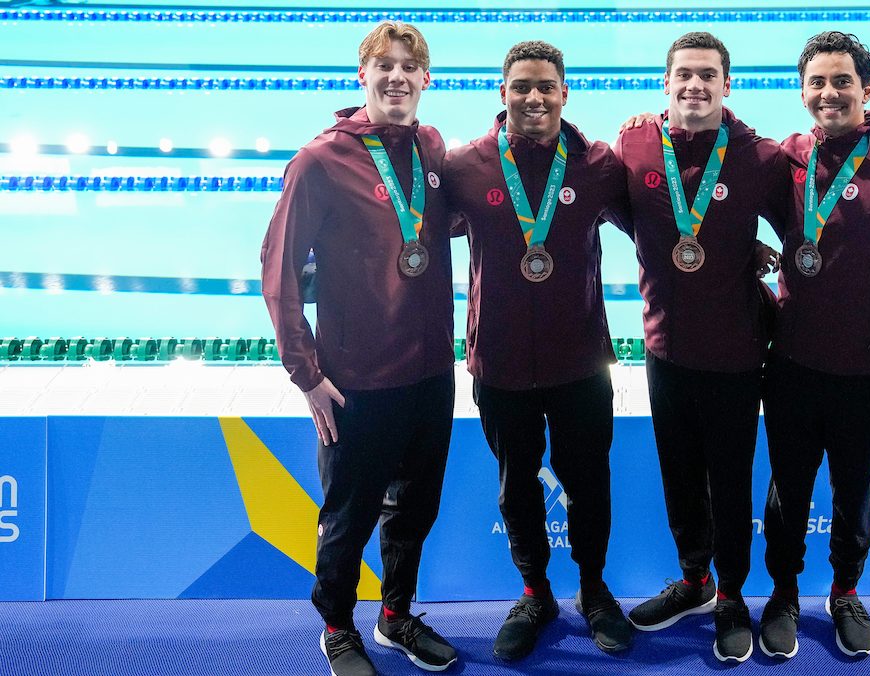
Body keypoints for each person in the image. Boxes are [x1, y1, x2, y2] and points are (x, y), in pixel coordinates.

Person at [261, 21, 457, 676]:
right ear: (362, 75)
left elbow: (443, 223)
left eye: (410, 67)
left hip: (430, 375)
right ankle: (339, 626)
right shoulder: (320, 161)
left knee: (416, 508)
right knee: (348, 516)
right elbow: (280, 272)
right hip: (357, 380)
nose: (397, 77)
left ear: (426, 79)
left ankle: (397, 615)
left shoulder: (430, 146)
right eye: (385, 66)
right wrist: (307, 374)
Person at [443, 40, 635, 662]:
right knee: (515, 485)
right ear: (502, 94)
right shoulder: (466, 166)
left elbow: (660, 227)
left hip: (581, 362)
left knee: (589, 481)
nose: (533, 97)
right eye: (521, 86)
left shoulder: (598, 165)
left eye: (545, 86)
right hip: (498, 362)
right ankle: (534, 593)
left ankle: (594, 588)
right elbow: (406, 225)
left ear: (564, 93)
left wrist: (747, 261)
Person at [757, 30, 870, 660]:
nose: (828, 94)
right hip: (791, 365)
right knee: (786, 490)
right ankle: (783, 594)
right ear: (803, 91)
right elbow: (719, 185)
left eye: (842, 82)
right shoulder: (789, 158)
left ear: (867, 89)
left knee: (854, 493)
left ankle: (843, 592)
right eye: (817, 82)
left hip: (868, 376)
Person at [615, 31, 795, 664]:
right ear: (666, 84)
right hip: (665, 350)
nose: (694, 85)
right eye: (683, 74)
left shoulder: (758, 158)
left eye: (707, 75)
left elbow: (809, 234)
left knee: (730, 481)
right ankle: (694, 581)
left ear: (727, 84)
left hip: (736, 354)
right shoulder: (634, 143)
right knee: (680, 476)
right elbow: (612, 211)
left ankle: (731, 597)